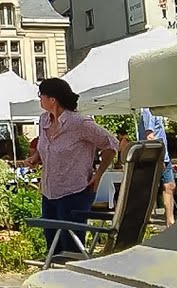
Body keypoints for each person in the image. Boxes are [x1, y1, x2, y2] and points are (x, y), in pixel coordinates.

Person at [25, 78, 117, 252]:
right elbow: (45, 147)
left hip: (74, 192)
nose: (39, 99)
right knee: (53, 247)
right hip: (49, 193)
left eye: (41, 95)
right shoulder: (44, 120)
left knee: (71, 247)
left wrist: (98, 174)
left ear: (52, 99)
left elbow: (111, 144)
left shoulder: (79, 123)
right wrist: (36, 157)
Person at [139, 108, 176, 226]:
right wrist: (159, 157)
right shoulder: (148, 110)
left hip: (164, 156)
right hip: (157, 156)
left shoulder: (156, 111)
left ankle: (170, 221)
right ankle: (147, 220)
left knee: (169, 186)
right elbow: (150, 137)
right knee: (152, 187)